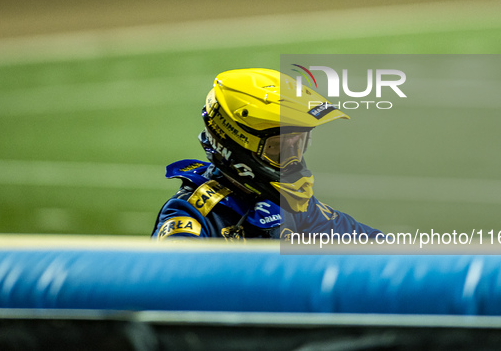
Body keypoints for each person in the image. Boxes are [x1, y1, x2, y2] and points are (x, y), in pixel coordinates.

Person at [151, 68, 383, 241]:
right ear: (235, 148)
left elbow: (368, 242)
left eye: (297, 145)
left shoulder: (293, 203)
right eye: (277, 148)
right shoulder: (191, 215)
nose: (292, 161)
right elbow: (170, 292)